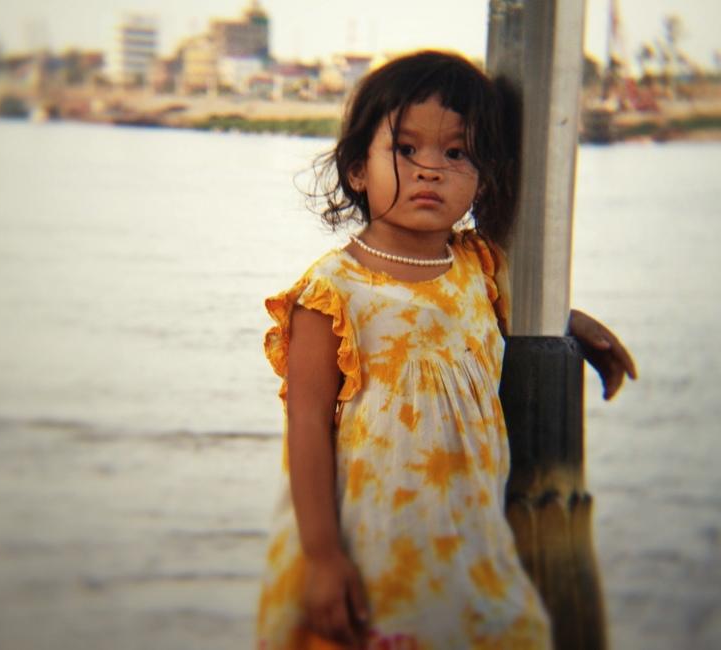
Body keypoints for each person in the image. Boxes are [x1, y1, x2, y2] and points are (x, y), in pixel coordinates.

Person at [256, 50, 636, 650]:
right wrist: (324, 558)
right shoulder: (333, 294)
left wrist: (577, 325)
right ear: (358, 169)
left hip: (469, 537)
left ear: (483, 175)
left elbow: (520, 312)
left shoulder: (477, 268)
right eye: (406, 150)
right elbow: (306, 429)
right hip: (374, 538)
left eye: (456, 153)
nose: (430, 169)